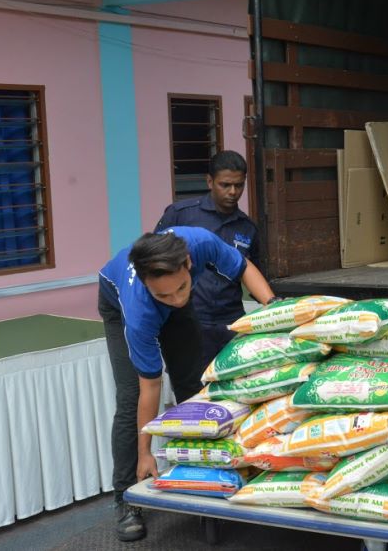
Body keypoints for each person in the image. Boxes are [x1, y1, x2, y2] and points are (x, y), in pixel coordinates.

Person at [97, 226, 276, 542]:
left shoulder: (200, 242)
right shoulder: (139, 311)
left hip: (161, 304)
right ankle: (124, 498)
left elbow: (244, 268)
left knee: (193, 387)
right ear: (146, 284)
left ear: (188, 264)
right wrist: (145, 452)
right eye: (164, 294)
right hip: (116, 303)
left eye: (182, 288)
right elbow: (150, 387)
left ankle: (203, 477)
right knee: (130, 398)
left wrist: (275, 310)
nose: (177, 299)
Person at [156, 150, 261, 367]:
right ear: (210, 181)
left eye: (239, 185)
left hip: (232, 322)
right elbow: (154, 260)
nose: (233, 192)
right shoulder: (181, 214)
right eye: (225, 185)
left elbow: (254, 272)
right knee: (193, 388)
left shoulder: (248, 227)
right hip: (189, 320)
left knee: (236, 385)